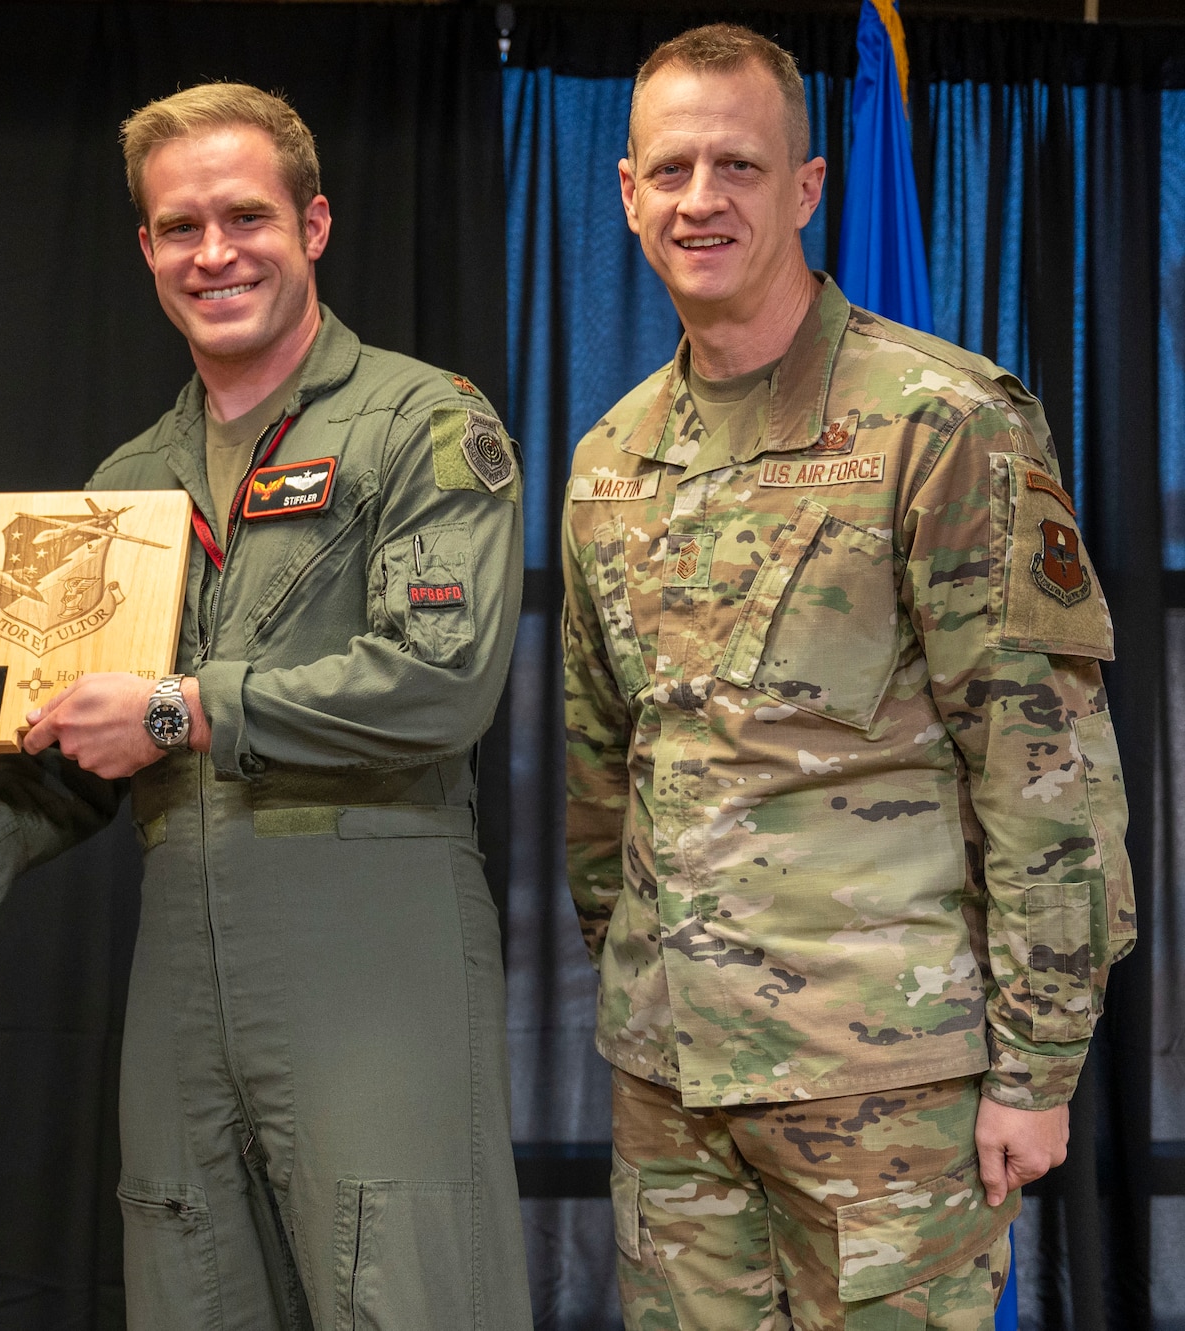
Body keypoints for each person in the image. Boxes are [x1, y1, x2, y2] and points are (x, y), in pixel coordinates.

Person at [0, 83, 533, 1329]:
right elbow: (75, 749)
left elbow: (439, 680)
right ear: (144, 250)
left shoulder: (421, 421)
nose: (213, 253)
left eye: (244, 216)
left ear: (313, 225)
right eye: (177, 227)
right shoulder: (127, 487)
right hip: (182, 955)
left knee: (406, 1285)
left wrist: (175, 707)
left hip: (373, 939)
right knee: (188, 1277)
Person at [560, 26, 1135, 1330]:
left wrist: (1038, 1060)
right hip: (672, 1086)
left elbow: (1045, 765)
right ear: (628, 193)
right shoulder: (610, 457)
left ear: (809, 188)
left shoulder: (943, 421)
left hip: (887, 1086)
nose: (702, 198)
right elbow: (604, 767)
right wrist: (643, 974)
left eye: (740, 165)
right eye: (672, 169)